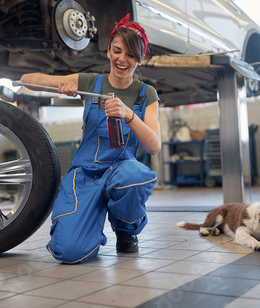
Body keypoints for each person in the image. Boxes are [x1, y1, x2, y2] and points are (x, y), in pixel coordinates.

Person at [20, 13, 161, 264]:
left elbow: (154, 145)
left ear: (140, 60)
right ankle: (89, 220)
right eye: (117, 51)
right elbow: (27, 81)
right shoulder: (90, 83)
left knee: (135, 176)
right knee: (70, 252)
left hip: (121, 171)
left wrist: (129, 114)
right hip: (86, 174)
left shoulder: (145, 94)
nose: (122, 59)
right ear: (108, 51)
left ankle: (125, 230)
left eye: (131, 55)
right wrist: (62, 85)